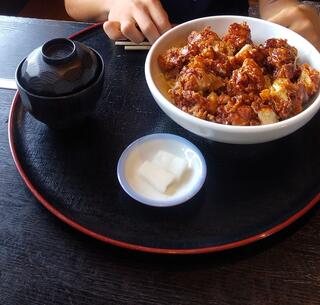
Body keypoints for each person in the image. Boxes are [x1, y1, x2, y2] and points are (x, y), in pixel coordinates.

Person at [64, 0, 320, 49]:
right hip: (137, 47)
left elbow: (274, 3)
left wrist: (284, 12)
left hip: (231, 54)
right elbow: (73, 4)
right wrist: (112, 3)